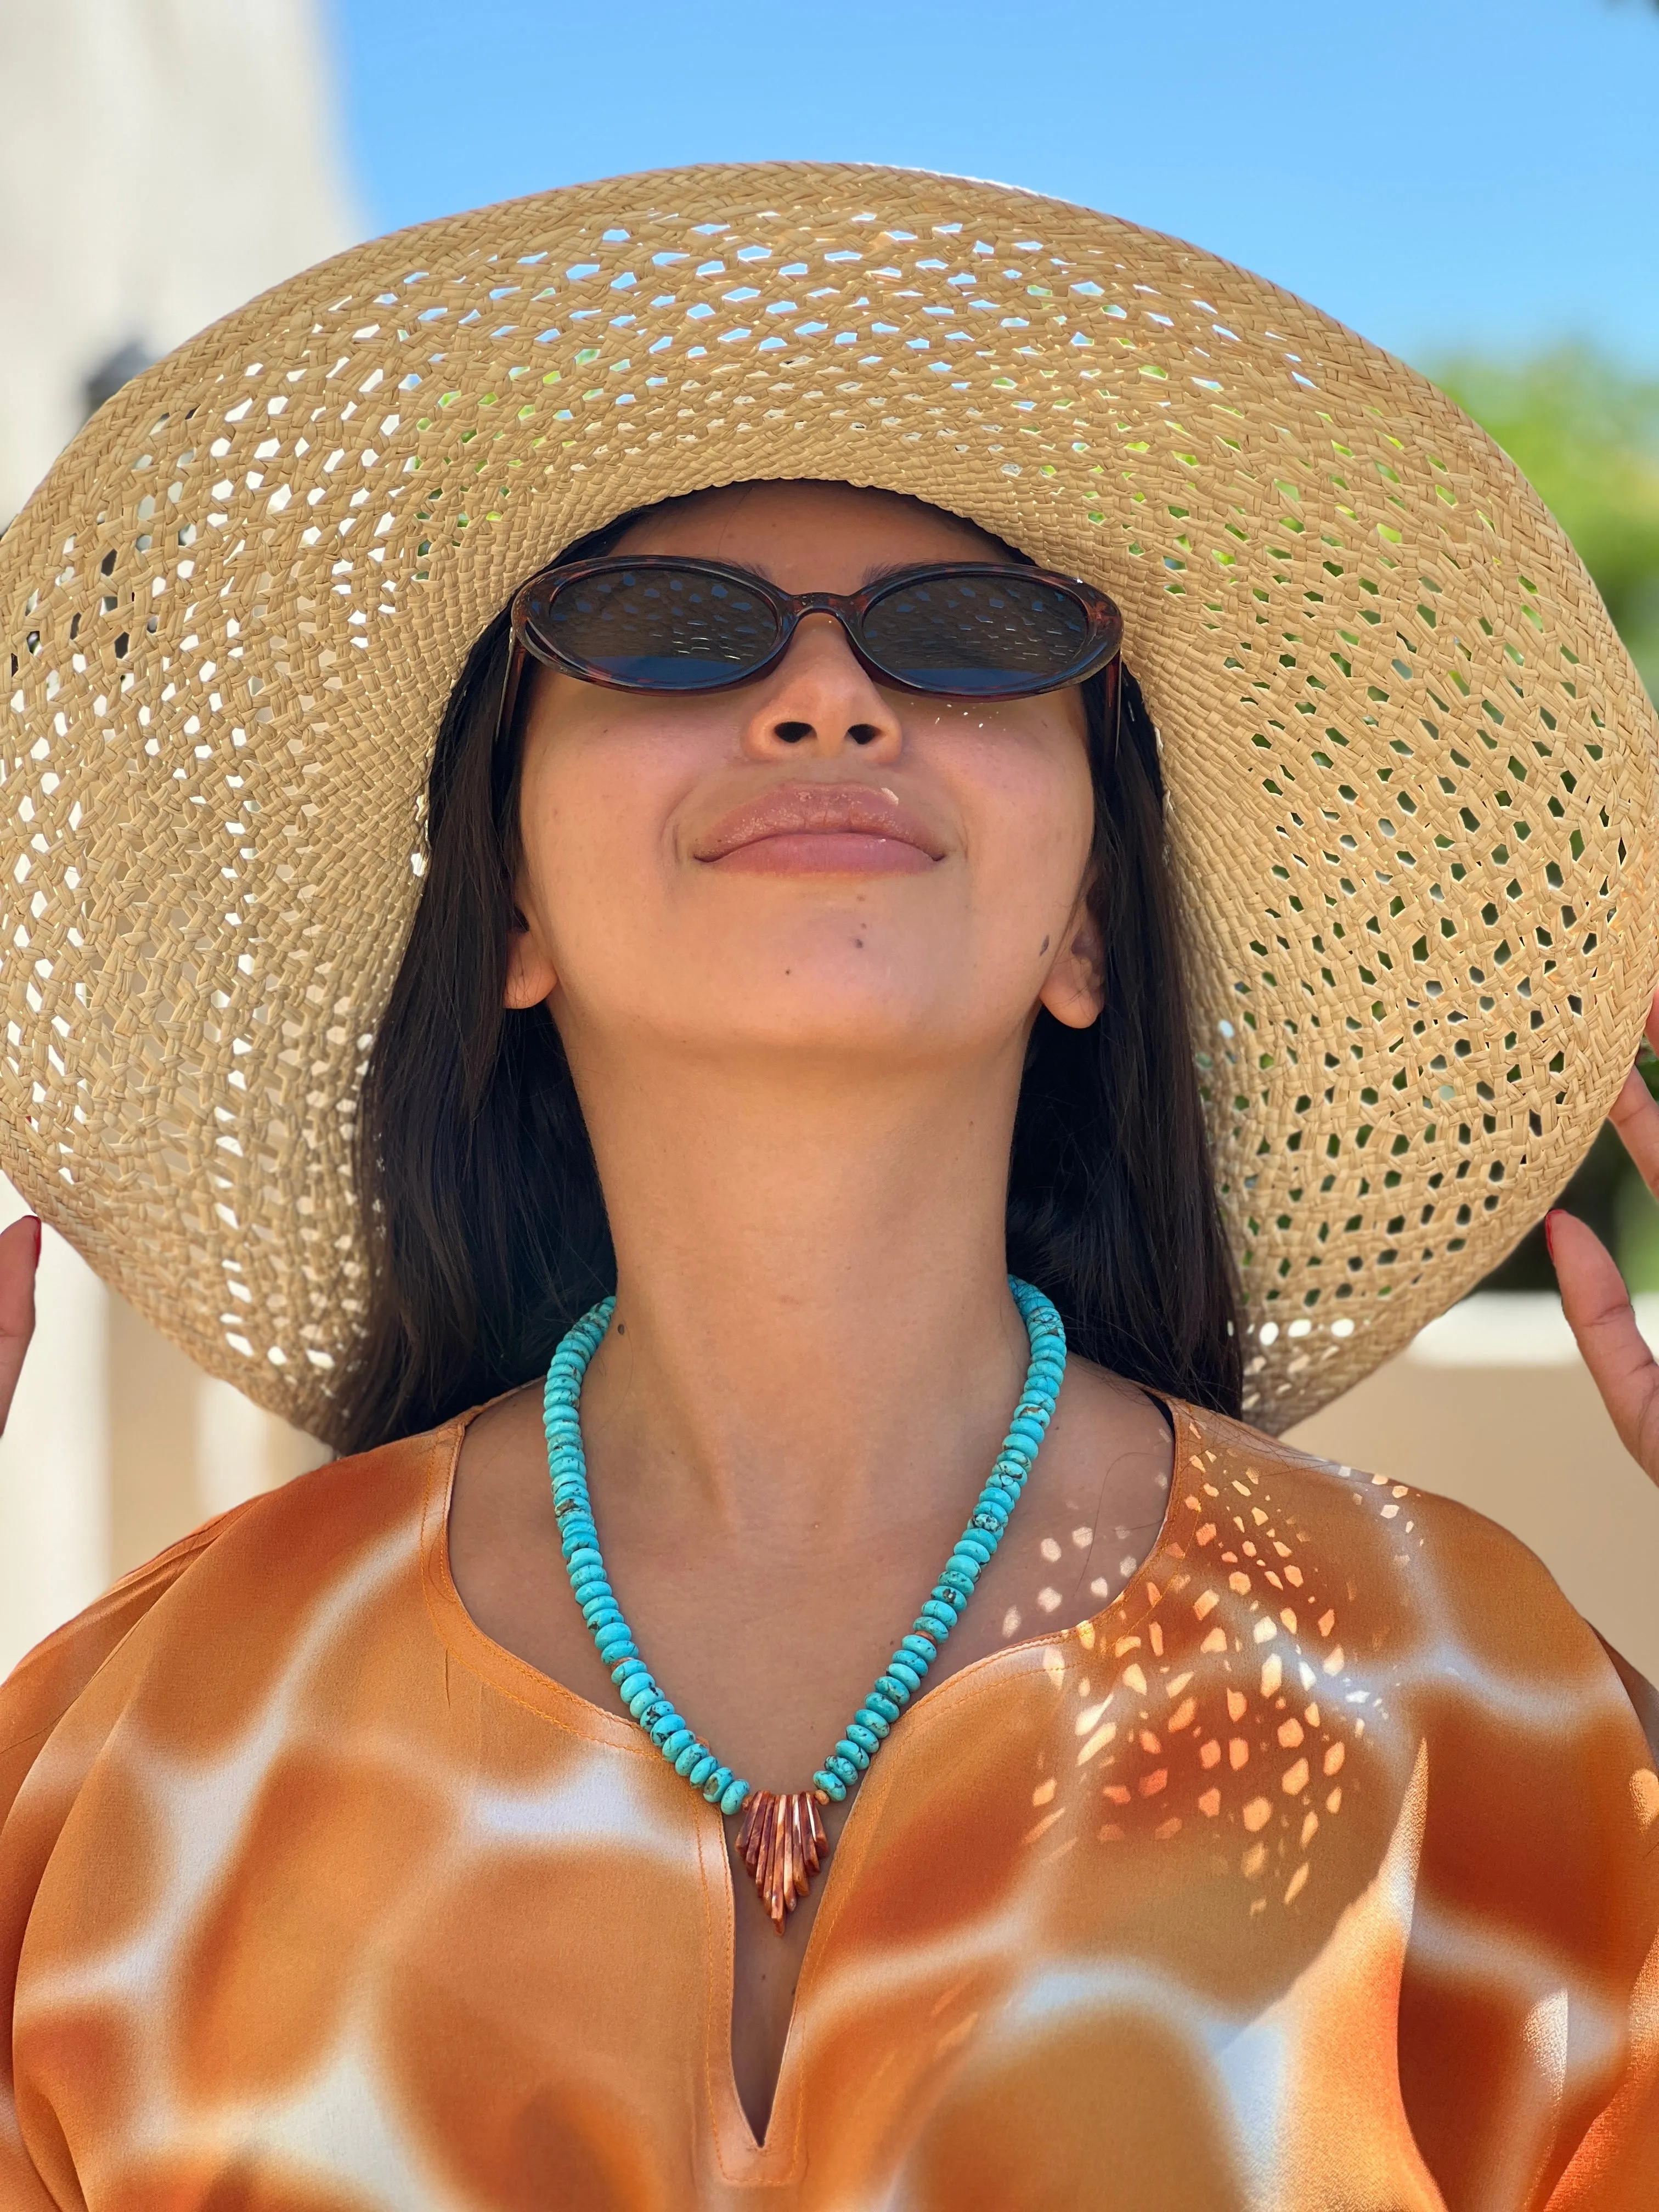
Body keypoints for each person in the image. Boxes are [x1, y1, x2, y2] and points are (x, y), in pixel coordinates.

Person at [0, 164, 1656, 2208]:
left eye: (972, 644)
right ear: (505, 898)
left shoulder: (1481, 1703)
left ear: (1088, 935)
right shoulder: (130, 1745)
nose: (825, 697)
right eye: (662, 634)